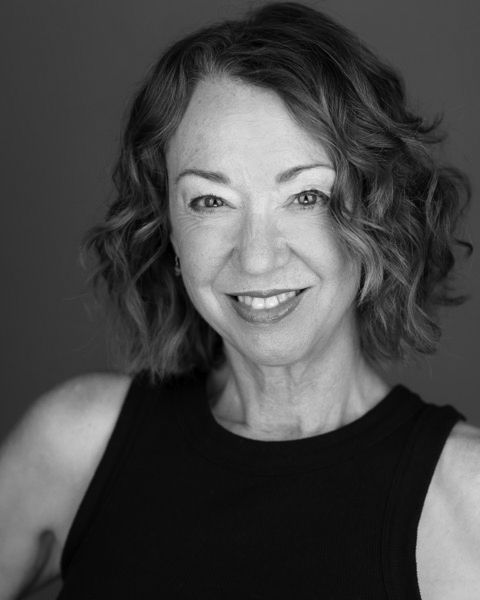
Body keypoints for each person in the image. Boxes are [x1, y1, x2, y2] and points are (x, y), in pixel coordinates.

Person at [0, 2, 478, 598]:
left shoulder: (465, 501)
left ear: (377, 213)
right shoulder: (77, 445)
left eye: (306, 197)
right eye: (210, 202)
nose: (256, 259)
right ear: (167, 228)